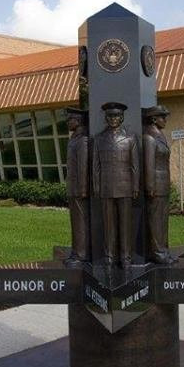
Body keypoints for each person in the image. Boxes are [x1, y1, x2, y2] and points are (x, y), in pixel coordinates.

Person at [91, 102, 139, 268]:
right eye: (110, 116)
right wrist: (96, 187)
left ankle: (126, 257)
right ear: (106, 118)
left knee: (125, 225)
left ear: (122, 117)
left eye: (116, 116)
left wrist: (135, 187)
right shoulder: (98, 139)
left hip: (125, 187)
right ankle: (109, 256)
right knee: (108, 225)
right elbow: (95, 166)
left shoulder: (131, 138)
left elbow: (135, 166)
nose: (113, 119)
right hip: (105, 188)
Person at [143, 105, 176, 264]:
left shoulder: (160, 136)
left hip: (163, 185)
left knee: (163, 219)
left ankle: (164, 249)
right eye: (163, 117)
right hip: (155, 186)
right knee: (155, 220)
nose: (165, 120)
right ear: (154, 119)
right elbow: (148, 165)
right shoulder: (149, 138)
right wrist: (150, 187)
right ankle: (157, 252)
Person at [64, 107, 90, 266]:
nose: (68, 123)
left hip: (79, 189)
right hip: (74, 187)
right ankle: (77, 251)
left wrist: (82, 188)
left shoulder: (82, 140)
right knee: (76, 221)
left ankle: (81, 254)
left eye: (70, 120)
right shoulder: (75, 138)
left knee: (81, 222)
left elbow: (83, 166)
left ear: (78, 121)